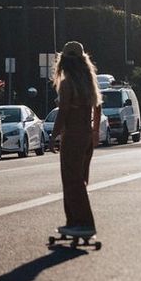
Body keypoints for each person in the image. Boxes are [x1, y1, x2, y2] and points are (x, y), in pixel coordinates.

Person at [50, 41, 102, 237]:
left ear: (62, 60)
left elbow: (63, 111)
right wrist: (95, 132)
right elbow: (98, 107)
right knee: (80, 179)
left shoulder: (67, 83)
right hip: (86, 136)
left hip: (72, 136)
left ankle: (84, 223)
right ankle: (73, 221)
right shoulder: (89, 82)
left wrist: (53, 135)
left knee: (71, 180)